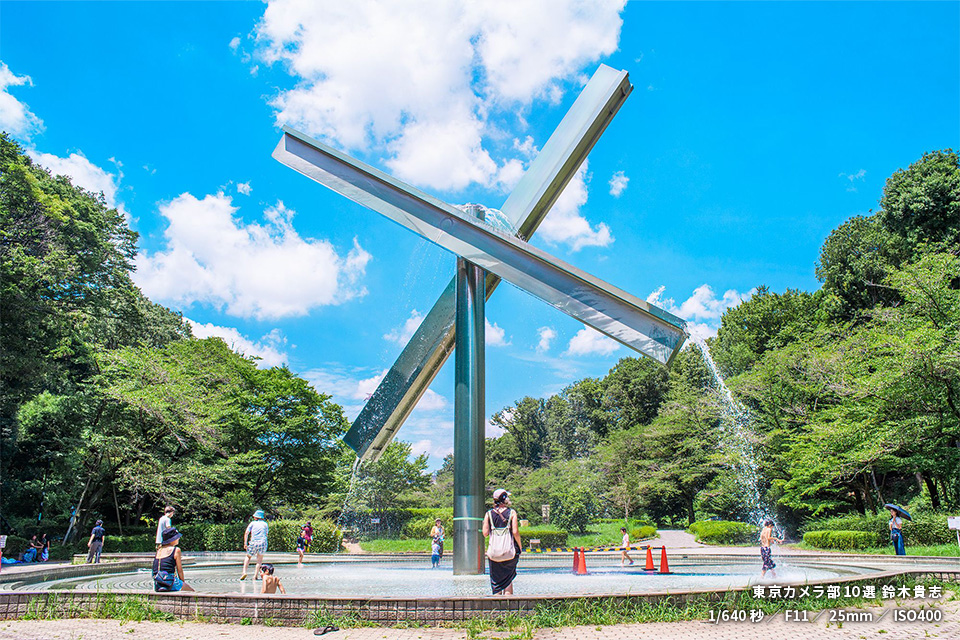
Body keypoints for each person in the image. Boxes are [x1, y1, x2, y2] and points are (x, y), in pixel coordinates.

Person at [482, 488, 521, 595]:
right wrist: (520, 546)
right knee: (508, 580)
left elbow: (485, 533)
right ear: (504, 499)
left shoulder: (488, 514)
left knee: (496, 582)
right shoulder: (512, 513)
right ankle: (508, 603)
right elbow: (515, 532)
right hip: (508, 552)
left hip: (494, 553)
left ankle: (496, 604)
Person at [153, 526, 194, 592]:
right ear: (172, 540)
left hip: (158, 582)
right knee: (191, 592)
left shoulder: (159, 550)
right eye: (177, 537)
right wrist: (183, 583)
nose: (178, 538)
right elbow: (179, 570)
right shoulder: (176, 550)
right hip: (170, 581)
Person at [240, 509, 269, 580]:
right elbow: (266, 534)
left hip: (254, 542)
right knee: (259, 560)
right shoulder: (265, 524)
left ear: (256, 517)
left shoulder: (252, 523)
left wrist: (245, 543)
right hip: (262, 542)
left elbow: (246, 533)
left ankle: (244, 572)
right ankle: (255, 575)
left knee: (248, 556)